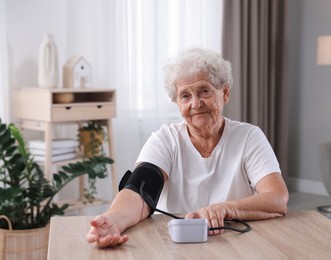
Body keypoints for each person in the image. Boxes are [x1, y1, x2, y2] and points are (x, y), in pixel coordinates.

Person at [86, 48, 289, 248]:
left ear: (225, 93)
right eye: (185, 96)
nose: (196, 103)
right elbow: (139, 192)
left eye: (204, 91)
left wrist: (225, 209)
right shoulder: (164, 140)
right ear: (176, 102)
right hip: (173, 244)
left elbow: (277, 199)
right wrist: (114, 220)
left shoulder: (249, 137)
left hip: (234, 243)